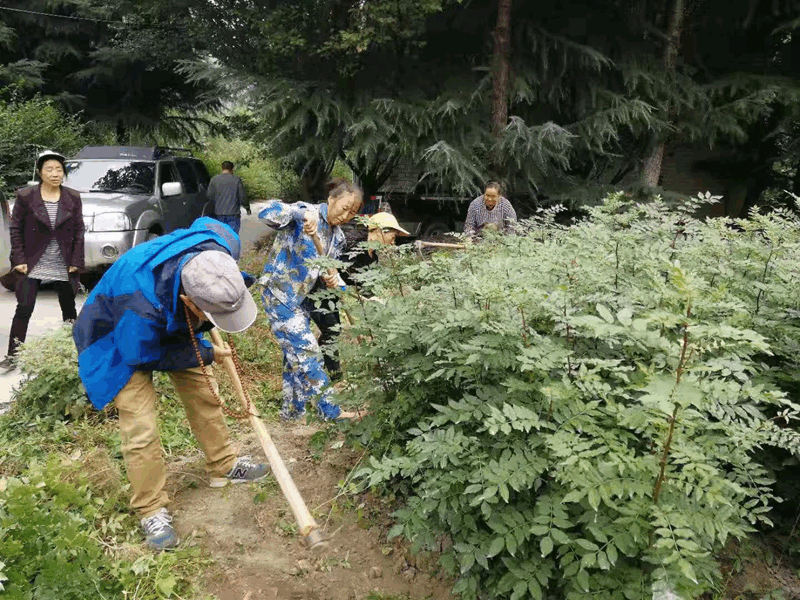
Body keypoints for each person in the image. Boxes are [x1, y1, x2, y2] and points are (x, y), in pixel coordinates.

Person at [72, 217, 267, 551]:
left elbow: (208, 224)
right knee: (141, 425)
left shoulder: (219, 251)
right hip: (117, 335)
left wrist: (203, 347)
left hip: (171, 311)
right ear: (192, 304)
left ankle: (224, 464)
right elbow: (144, 356)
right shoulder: (140, 308)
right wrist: (206, 354)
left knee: (205, 390)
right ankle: (151, 509)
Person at [257, 179, 363, 421]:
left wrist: (337, 282)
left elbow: (329, 272)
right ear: (331, 199)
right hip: (278, 294)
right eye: (344, 207)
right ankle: (332, 413)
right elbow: (267, 212)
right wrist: (300, 214)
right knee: (307, 351)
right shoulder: (307, 212)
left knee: (294, 358)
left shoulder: (337, 238)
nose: (346, 215)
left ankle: (292, 414)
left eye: (353, 213)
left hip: (301, 300)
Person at [1, 150, 84, 372]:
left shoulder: (73, 197)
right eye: (49, 169)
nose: (55, 174)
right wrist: (18, 258)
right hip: (31, 261)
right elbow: (15, 228)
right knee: (24, 308)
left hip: (63, 262)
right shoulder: (26, 196)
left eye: (59, 169)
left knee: (68, 309)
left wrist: (76, 259)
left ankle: (75, 352)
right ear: (40, 172)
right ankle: (13, 355)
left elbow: (79, 230)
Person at [305, 212, 410, 380]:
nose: (394, 239)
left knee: (332, 329)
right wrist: (335, 280)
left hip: (336, 290)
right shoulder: (352, 243)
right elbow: (330, 261)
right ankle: (333, 375)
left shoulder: (372, 257)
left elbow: (365, 288)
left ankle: (319, 365)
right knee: (332, 328)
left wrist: (377, 301)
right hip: (319, 286)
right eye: (392, 234)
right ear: (379, 231)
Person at [207, 161, 250, 235]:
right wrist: (247, 207)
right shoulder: (236, 180)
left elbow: (209, 196)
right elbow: (242, 196)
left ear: (222, 168)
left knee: (221, 237)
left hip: (218, 214)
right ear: (232, 169)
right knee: (232, 238)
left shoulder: (214, 179)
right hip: (233, 214)